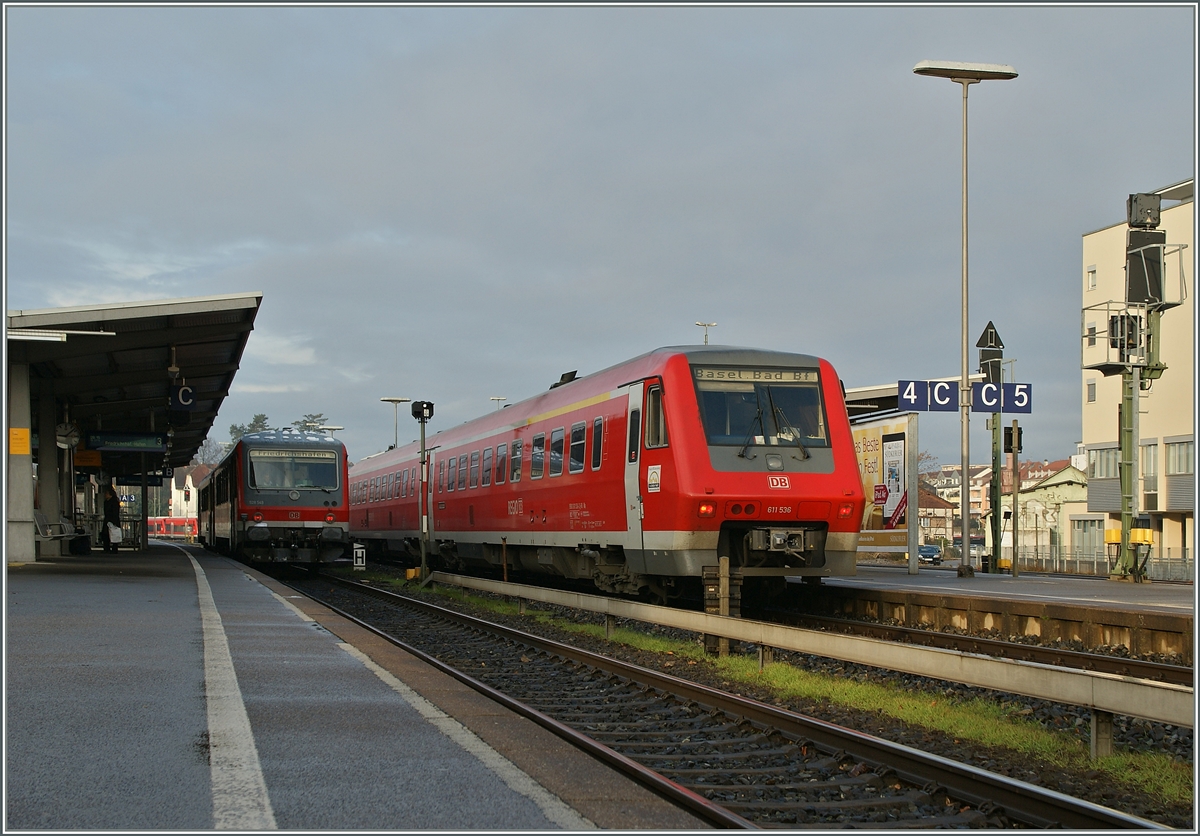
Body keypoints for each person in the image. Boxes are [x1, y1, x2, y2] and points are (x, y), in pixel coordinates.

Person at [102, 486, 121, 553]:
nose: (105, 495)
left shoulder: (114, 502)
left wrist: (114, 522)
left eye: (106, 493)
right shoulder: (106, 502)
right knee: (106, 535)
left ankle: (113, 548)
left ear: (110, 494)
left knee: (113, 534)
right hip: (108, 520)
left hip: (112, 520)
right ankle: (107, 548)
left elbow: (115, 512)